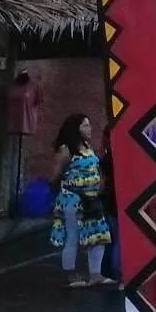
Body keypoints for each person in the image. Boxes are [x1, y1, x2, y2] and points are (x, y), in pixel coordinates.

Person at [51, 113, 114, 288]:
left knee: (98, 236)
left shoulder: (87, 147)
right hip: (73, 199)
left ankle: (96, 274)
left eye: (89, 125)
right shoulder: (66, 149)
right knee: (73, 237)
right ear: (76, 128)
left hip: (92, 200)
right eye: (85, 125)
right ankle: (71, 275)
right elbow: (56, 175)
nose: (89, 128)